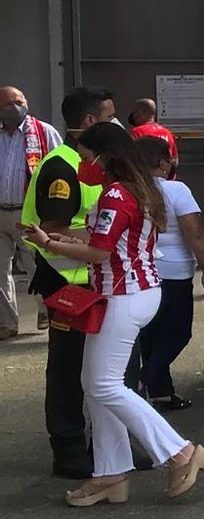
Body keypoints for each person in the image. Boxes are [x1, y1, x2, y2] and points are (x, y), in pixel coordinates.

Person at [25, 123, 204, 506]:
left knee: (104, 385)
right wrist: (63, 240)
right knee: (97, 383)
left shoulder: (115, 194)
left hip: (121, 295)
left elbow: (99, 253)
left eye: (84, 155)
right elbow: (105, 240)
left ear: (104, 156)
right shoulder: (136, 189)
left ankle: (179, 451)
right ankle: (110, 473)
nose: (81, 163)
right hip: (132, 293)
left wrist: (50, 242)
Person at [24, 85, 118, 476]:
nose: (118, 120)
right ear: (90, 121)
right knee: (68, 367)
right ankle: (68, 448)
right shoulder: (62, 167)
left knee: (106, 367)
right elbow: (52, 228)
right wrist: (96, 240)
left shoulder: (96, 164)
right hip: (68, 283)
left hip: (96, 277)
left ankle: (112, 447)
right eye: (110, 115)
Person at [132, 136, 204, 409]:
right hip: (174, 270)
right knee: (179, 332)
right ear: (163, 162)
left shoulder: (128, 191)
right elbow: (195, 234)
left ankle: (161, 392)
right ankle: (145, 379)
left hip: (142, 271)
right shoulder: (176, 190)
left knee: (151, 333)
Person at [0, 85, 63, 342]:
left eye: (19, 101)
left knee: (35, 265)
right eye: (8, 103)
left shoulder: (43, 131)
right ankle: (7, 323)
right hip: (1, 211)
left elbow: (61, 166)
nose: (15, 107)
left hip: (29, 213)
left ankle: (44, 310)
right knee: (0, 273)